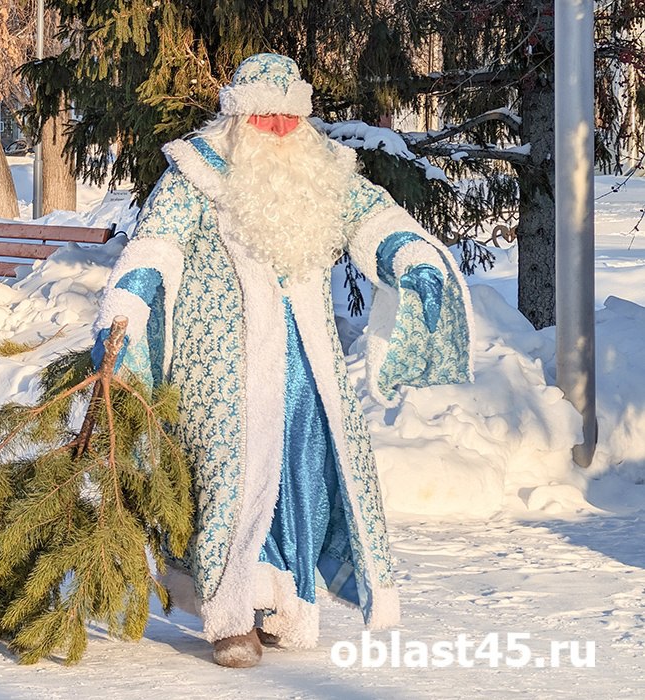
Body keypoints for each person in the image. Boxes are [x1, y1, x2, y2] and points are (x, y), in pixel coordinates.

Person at [92, 53, 474, 668]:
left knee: (303, 477)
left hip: (310, 368)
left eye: (288, 117)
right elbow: (154, 246)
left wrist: (411, 257)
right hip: (221, 369)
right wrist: (130, 304)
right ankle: (231, 615)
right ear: (238, 117)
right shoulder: (196, 172)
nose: (277, 128)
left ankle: (285, 602)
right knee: (230, 479)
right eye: (264, 117)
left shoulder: (322, 169)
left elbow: (373, 220)